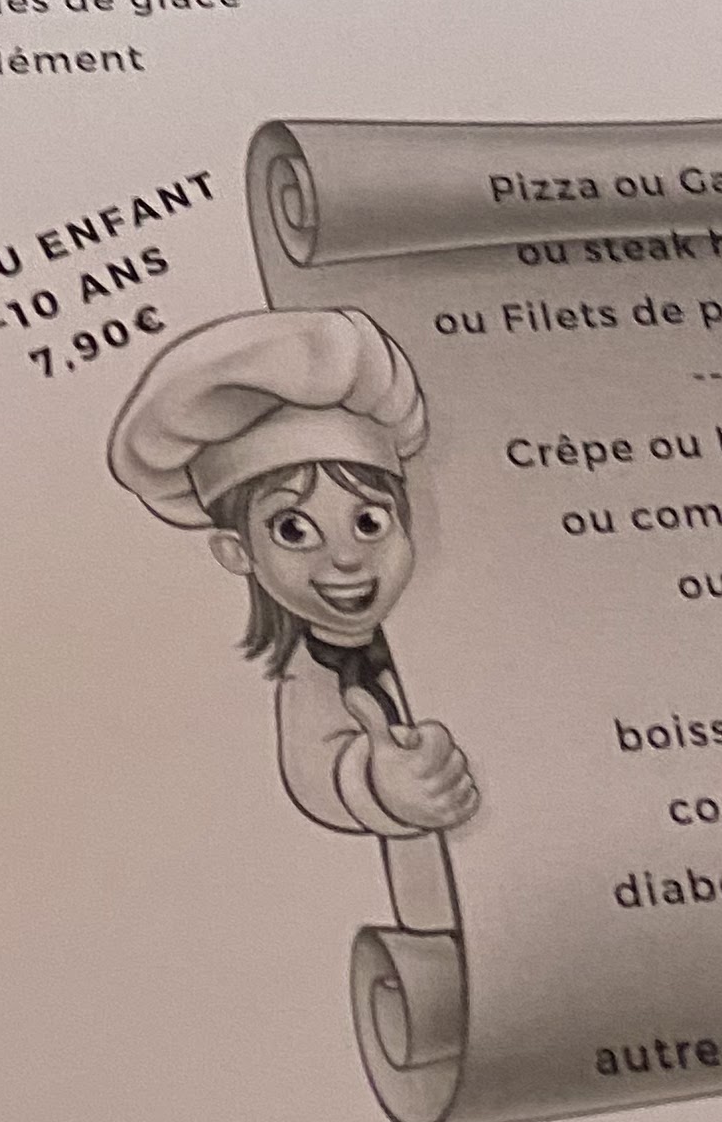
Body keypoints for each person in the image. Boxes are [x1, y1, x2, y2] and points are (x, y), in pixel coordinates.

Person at [110, 304, 480, 840]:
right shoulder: (312, 674)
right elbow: (318, 769)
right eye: (295, 530)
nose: (346, 557)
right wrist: (383, 785)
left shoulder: (446, 628)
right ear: (238, 553)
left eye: (369, 522)